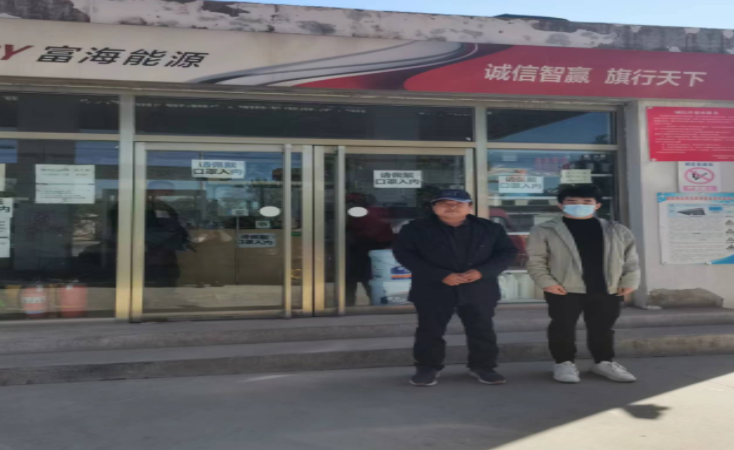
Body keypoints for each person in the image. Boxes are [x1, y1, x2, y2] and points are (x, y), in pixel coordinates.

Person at [393, 189, 518, 386]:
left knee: (481, 329)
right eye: (445, 203)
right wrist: (440, 275)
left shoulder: (490, 228)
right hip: (433, 288)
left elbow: (507, 252)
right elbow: (404, 255)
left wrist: (482, 272)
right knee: (430, 330)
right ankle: (427, 368)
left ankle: (483, 367)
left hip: (479, 287)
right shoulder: (415, 229)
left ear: (470, 207)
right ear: (434, 207)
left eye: (458, 204)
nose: (451, 207)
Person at [526, 184, 641, 384]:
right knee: (562, 327)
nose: (579, 205)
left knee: (603, 328)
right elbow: (535, 260)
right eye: (572, 201)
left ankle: (604, 362)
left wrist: (630, 280)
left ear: (597, 205)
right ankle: (564, 363)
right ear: (561, 205)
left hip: (608, 287)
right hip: (563, 288)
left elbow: (630, 259)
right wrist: (546, 282)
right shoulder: (545, 230)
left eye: (587, 201)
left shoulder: (617, 230)